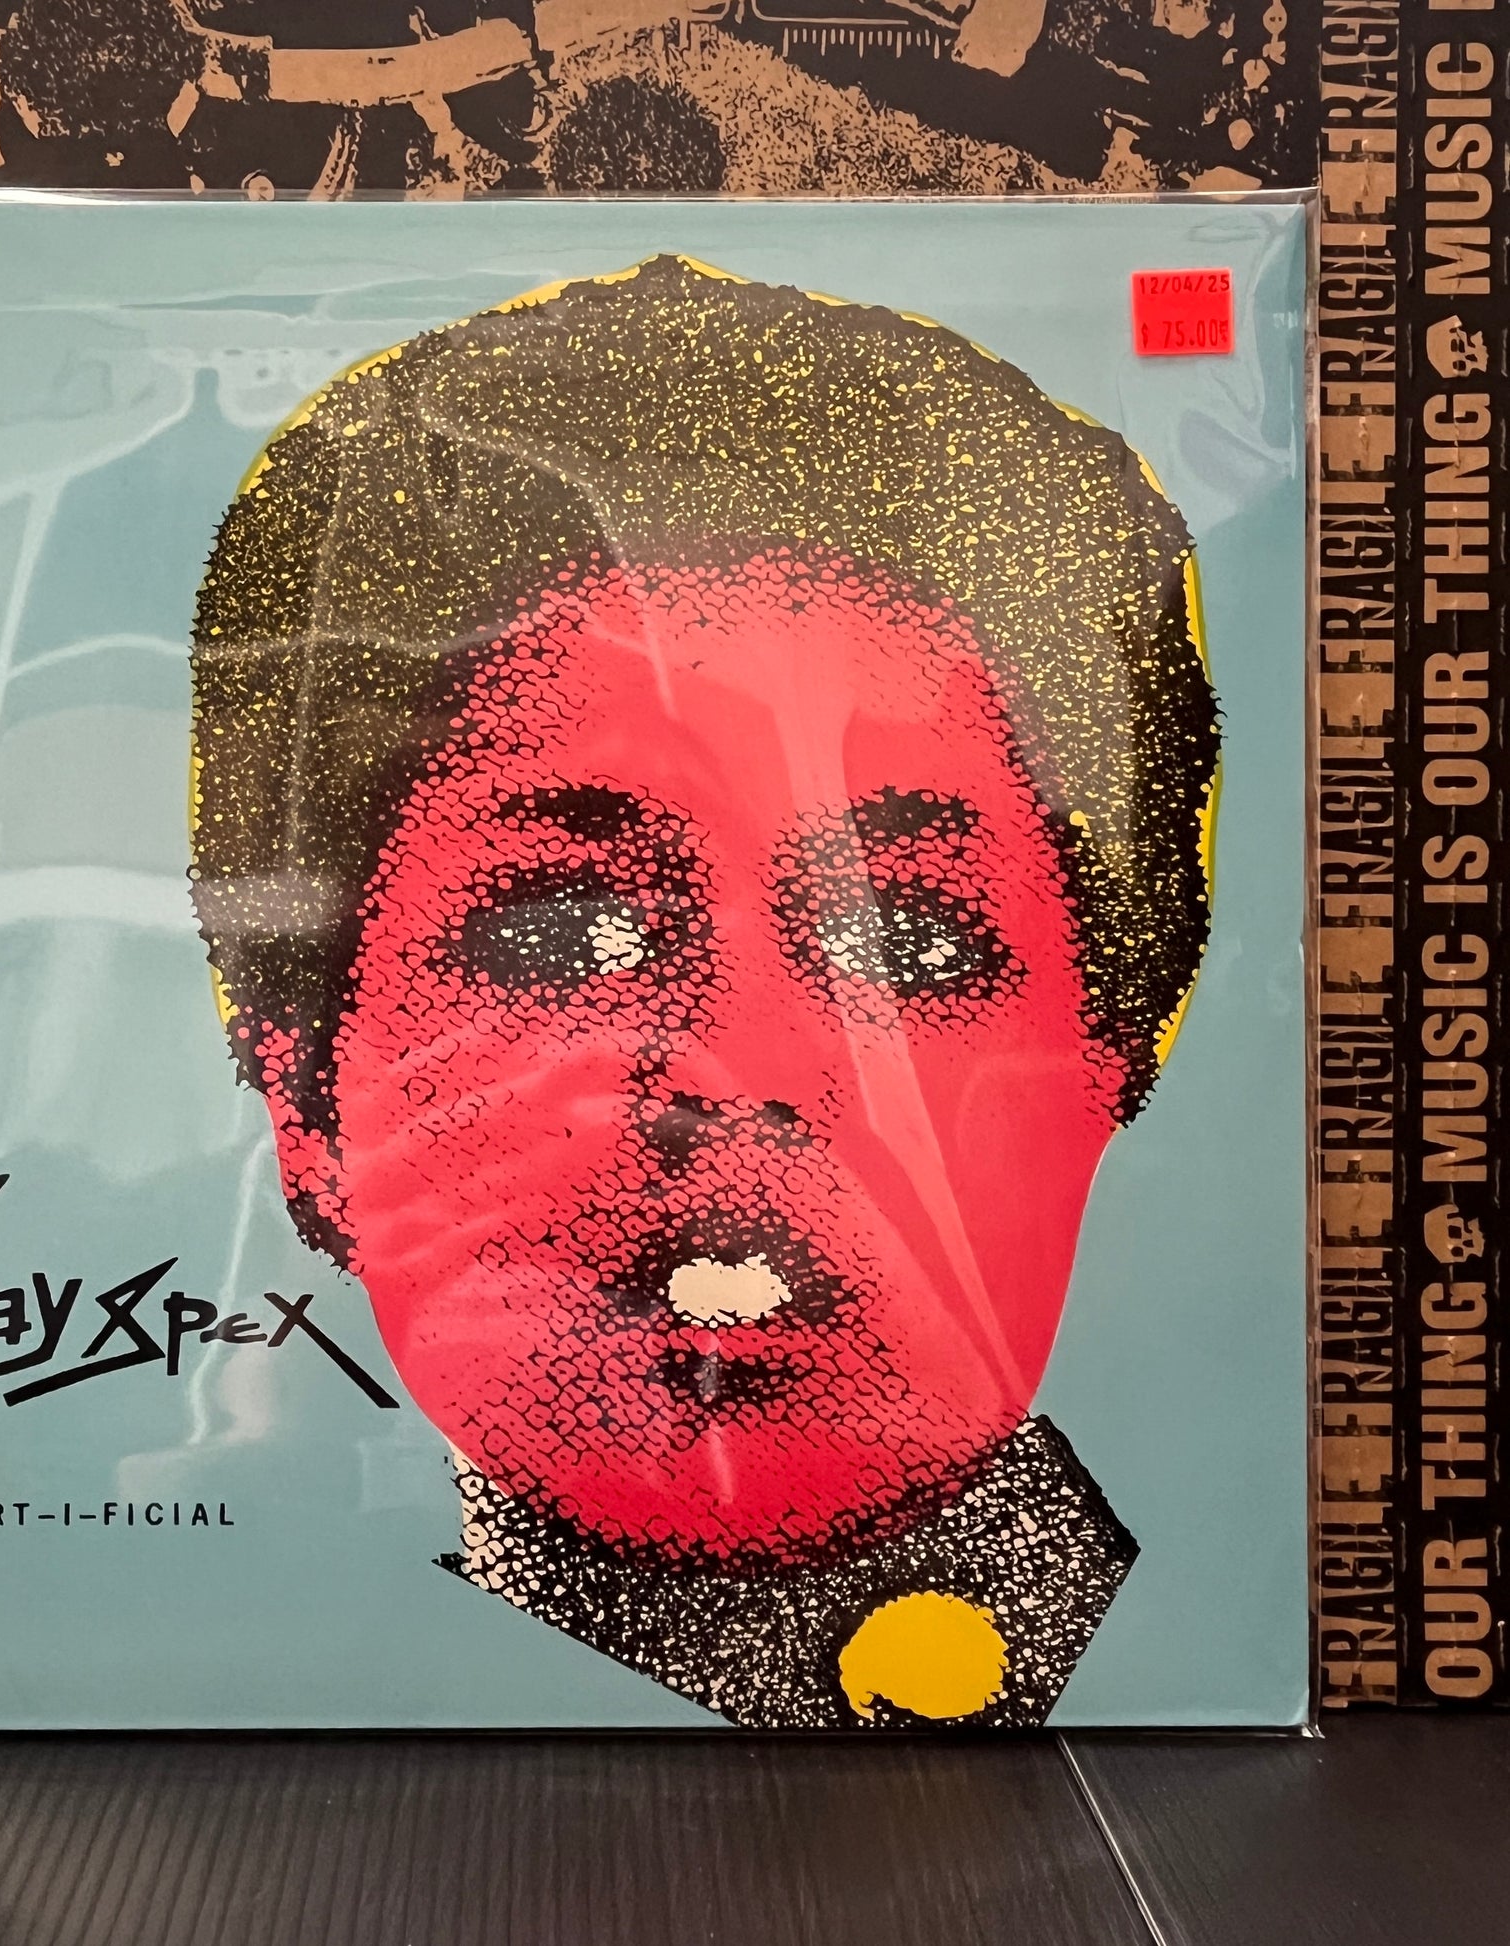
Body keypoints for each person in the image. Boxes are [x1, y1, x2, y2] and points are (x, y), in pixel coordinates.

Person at [188, 254, 1217, 1727]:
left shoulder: (1207, 1664)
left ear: (1115, 1050)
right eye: (561, 933)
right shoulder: (212, 1672)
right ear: (302, 1095)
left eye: (906, 942)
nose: (738, 1071)